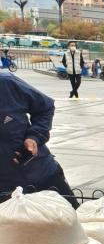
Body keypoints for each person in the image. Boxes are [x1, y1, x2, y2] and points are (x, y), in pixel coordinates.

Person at [0, 71, 78, 208]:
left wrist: (34, 137)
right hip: (5, 193)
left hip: (43, 175)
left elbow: (45, 107)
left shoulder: (6, 83)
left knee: (74, 222)